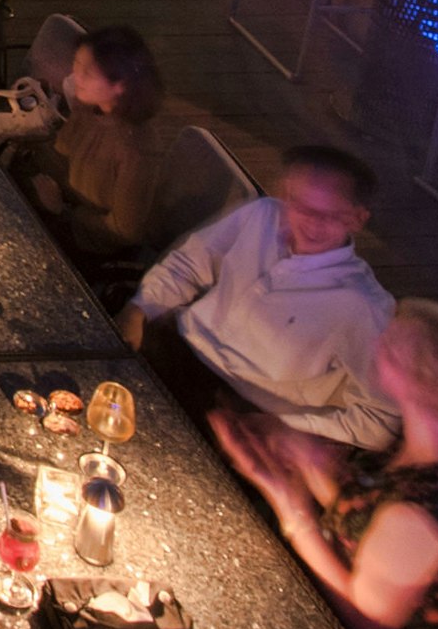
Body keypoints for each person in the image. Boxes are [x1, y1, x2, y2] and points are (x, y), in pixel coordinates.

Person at [217, 302, 438, 629]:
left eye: (390, 346)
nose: (378, 342)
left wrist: (291, 506)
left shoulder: (422, 516)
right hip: (352, 591)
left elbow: (364, 624)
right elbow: (369, 521)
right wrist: (309, 462)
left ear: (409, 383)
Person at [121, 145, 397, 446]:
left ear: (357, 218)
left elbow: (380, 420)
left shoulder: (363, 306)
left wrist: (287, 427)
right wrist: (139, 308)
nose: (310, 222)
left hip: (237, 412)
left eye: (329, 215)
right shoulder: (262, 215)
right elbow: (189, 264)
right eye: (300, 205)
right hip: (172, 345)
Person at [0, 25, 167, 261]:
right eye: (77, 63)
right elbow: (60, 154)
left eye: (89, 73)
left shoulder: (137, 150)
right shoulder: (90, 107)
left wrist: (63, 211)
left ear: (120, 84)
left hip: (90, 245)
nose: (76, 76)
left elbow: (125, 231)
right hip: (60, 205)